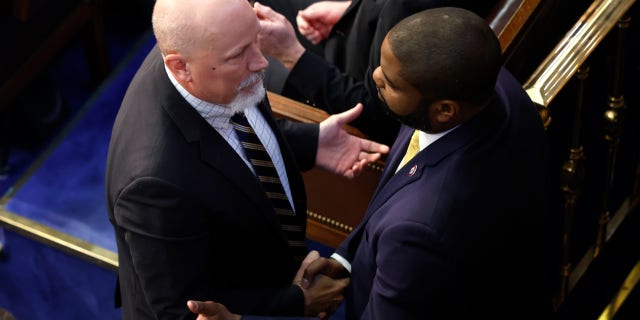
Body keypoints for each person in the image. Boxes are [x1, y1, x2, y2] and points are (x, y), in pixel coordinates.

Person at [188, 6, 554, 319]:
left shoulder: (420, 226)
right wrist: (346, 261)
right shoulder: (493, 87)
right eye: (382, 65)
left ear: (444, 110)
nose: (376, 78)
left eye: (391, 83)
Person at [105, 0, 389, 318]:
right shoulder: (152, 184)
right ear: (180, 67)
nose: (261, 61)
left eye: (256, 39)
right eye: (239, 55)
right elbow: (182, 310)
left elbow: (237, 134)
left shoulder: (215, 58)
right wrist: (296, 302)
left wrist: (311, 142)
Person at [255, 0, 498, 145]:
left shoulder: (412, 13)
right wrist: (354, 11)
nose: (377, 76)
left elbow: (376, 110)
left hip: (341, 88)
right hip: (351, 36)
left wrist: (291, 55)